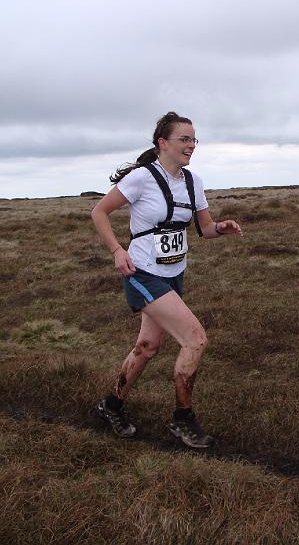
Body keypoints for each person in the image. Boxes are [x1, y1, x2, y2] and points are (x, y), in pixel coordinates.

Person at [91, 111, 242, 448]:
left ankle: (111, 405)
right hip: (143, 274)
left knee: (147, 347)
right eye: (184, 139)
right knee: (196, 339)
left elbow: (204, 228)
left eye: (194, 139)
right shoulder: (141, 178)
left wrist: (221, 228)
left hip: (174, 274)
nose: (191, 145)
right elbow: (99, 212)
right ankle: (182, 419)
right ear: (163, 143)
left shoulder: (193, 182)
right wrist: (117, 250)